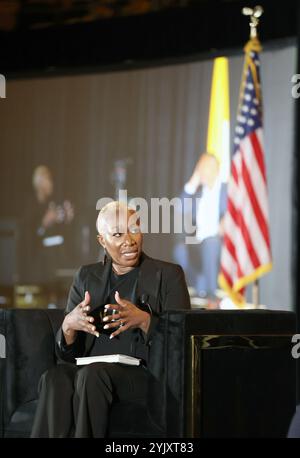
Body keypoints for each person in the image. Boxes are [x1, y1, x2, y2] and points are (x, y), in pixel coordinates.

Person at [31, 201, 191, 438]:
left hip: (145, 375)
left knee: (93, 375)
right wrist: (68, 327)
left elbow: (183, 343)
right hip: (92, 371)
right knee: (55, 378)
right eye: (117, 234)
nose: (129, 240)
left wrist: (146, 321)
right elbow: (66, 353)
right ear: (102, 241)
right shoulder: (86, 276)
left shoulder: (168, 275)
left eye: (134, 229)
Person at [174, 152, 227, 301]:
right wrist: (192, 184)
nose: (200, 171)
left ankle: (211, 295)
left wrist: (227, 220)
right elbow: (179, 208)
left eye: (203, 167)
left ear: (215, 169)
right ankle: (199, 287)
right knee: (180, 249)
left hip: (220, 241)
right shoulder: (196, 193)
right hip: (197, 241)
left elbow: (237, 212)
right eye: (198, 168)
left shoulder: (227, 190)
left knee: (211, 243)